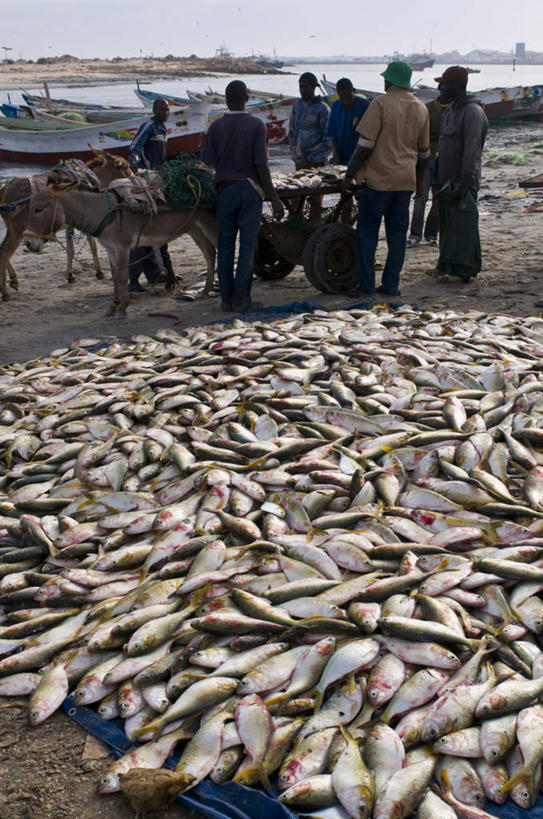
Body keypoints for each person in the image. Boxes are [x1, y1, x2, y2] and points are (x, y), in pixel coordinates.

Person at [343, 61, 430, 297]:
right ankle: (391, 284)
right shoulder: (421, 107)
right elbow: (424, 154)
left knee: (367, 232)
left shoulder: (380, 103)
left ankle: (367, 286)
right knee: (397, 235)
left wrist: (349, 173)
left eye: (385, 78)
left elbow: (364, 147)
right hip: (405, 181)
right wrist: (421, 183)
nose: (383, 81)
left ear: (390, 81)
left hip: (379, 181)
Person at [201, 80, 284, 312]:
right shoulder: (257, 125)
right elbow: (261, 164)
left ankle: (226, 299)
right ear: (247, 98)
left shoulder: (215, 127)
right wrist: (274, 197)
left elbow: (207, 160)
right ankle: (242, 299)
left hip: (225, 190)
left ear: (225, 100)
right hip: (249, 190)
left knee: (225, 246)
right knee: (247, 247)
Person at [432, 66, 488, 282]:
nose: (440, 88)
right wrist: (436, 179)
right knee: (446, 225)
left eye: (444, 84)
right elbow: (442, 149)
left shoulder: (473, 112)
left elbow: (472, 150)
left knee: (463, 227)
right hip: (446, 180)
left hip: (463, 180)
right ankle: (445, 265)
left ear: (458, 86)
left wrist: (466, 181)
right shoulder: (449, 111)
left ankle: (461, 271)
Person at [128, 98, 174, 293]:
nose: (166, 112)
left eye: (168, 110)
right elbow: (134, 149)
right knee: (144, 232)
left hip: (159, 181)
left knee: (157, 230)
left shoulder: (163, 130)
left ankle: (157, 273)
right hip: (148, 183)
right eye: (163, 109)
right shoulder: (149, 126)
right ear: (155, 110)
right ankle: (134, 279)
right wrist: (141, 172)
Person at [407, 85, 451, 245]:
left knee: (439, 200)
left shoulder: (455, 110)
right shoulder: (428, 108)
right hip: (426, 160)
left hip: (445, 162)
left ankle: (431, 234)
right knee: (421, 198)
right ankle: (415, 234)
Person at [288, 72, 331, 219]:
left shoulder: (323, 109)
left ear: (313, 88)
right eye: (300, 86)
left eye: (305, 87)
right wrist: (295, 156)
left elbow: (328, 139)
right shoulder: (296, 106)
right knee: (296, 199)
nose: (302, 90)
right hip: (299, 162)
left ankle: (315, 226)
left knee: (315, 200)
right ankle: (295, 226)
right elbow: (292, 133)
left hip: (316, 163)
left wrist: (312, 157)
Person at [327, 78, 369, 165]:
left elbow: (369, 134)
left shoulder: (365, 106)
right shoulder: (335, 106)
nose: (346, 102)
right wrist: (335, 153)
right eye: (342, 99)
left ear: (353, 91)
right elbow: (332, 132)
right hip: (341, 155)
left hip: (360, 155)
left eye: (348, 98)